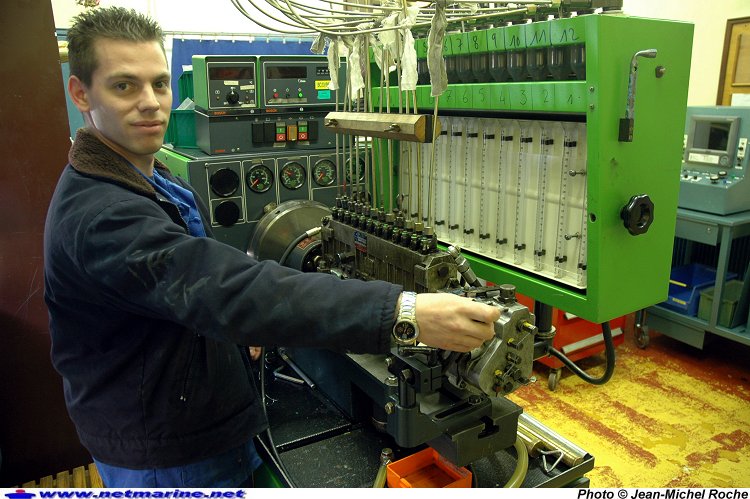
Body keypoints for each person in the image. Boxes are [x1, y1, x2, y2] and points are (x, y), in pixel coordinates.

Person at [44, 6, 500, 488]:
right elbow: (222, 287)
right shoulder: (102, 215)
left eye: (159, 83)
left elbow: (202, 289)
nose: (151, 103)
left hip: (198, 410)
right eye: (124, 86)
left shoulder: (153, 176)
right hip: (167, 450)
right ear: (81, 93)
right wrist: (405, 313)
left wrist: (235, 331)